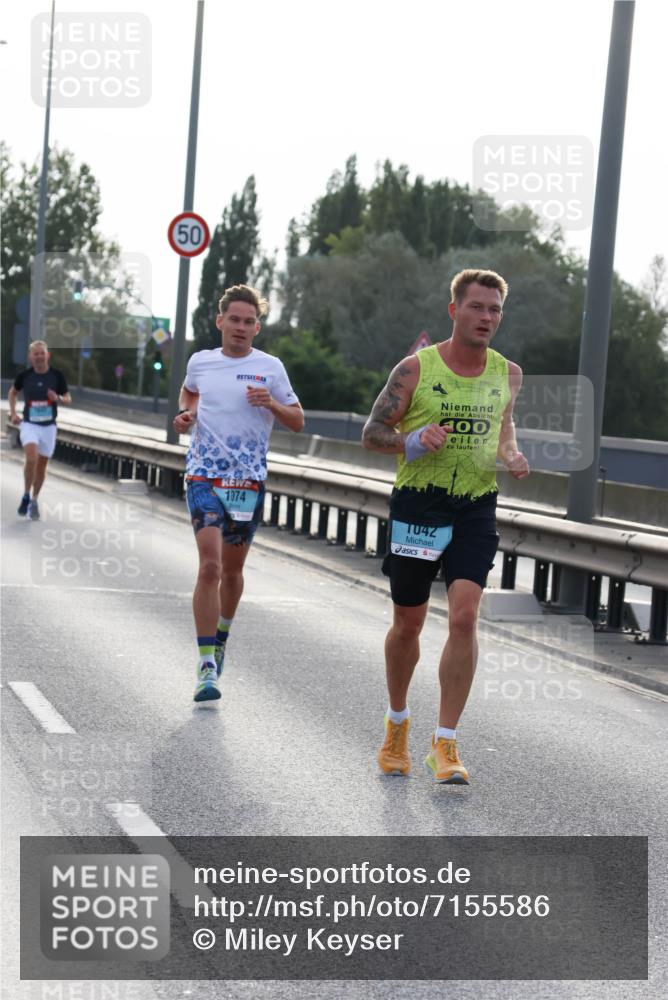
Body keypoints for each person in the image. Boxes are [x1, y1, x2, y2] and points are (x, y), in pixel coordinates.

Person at [361, 269, 529, 784]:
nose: (486, 317)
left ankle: (446, 742)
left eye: (494, 309)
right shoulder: (415, 369)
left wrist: (511, 454)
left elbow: (503, 429)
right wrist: (411, 441)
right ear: (454, 310)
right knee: (408, 623)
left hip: (475, 506)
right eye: (477, 307)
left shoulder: (508, 373)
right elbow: (372, 432)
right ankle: (396, 725)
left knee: (464, 617)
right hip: (420, 505)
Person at [173, 284, 304, 703]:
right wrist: (187, 414)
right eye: (234, 319)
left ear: (257, 327)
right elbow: (190, 392)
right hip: (204, 476)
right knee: (209, 567)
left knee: (231, 573)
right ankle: (205, 665)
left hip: (246, 482)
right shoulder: (201, 361)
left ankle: (222, 635)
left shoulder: (270, 368)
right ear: (220, 322)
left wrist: (272, 404)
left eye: (249, 321)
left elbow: (297, 420)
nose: (241, 327)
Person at [9, 340, 72, 520]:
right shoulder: (25, 376)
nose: (39, 356)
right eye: (35, 354)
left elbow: (68, 398)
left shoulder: (57, 376)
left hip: (49, 427)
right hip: (30, 424)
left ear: (47, 355)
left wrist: (58, 398)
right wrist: (13, 413)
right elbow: (13, 392)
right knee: (31, 458)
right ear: (30, 357)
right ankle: (25, 495)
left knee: (42, 466)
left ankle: (34, 500)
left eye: (42, 353)